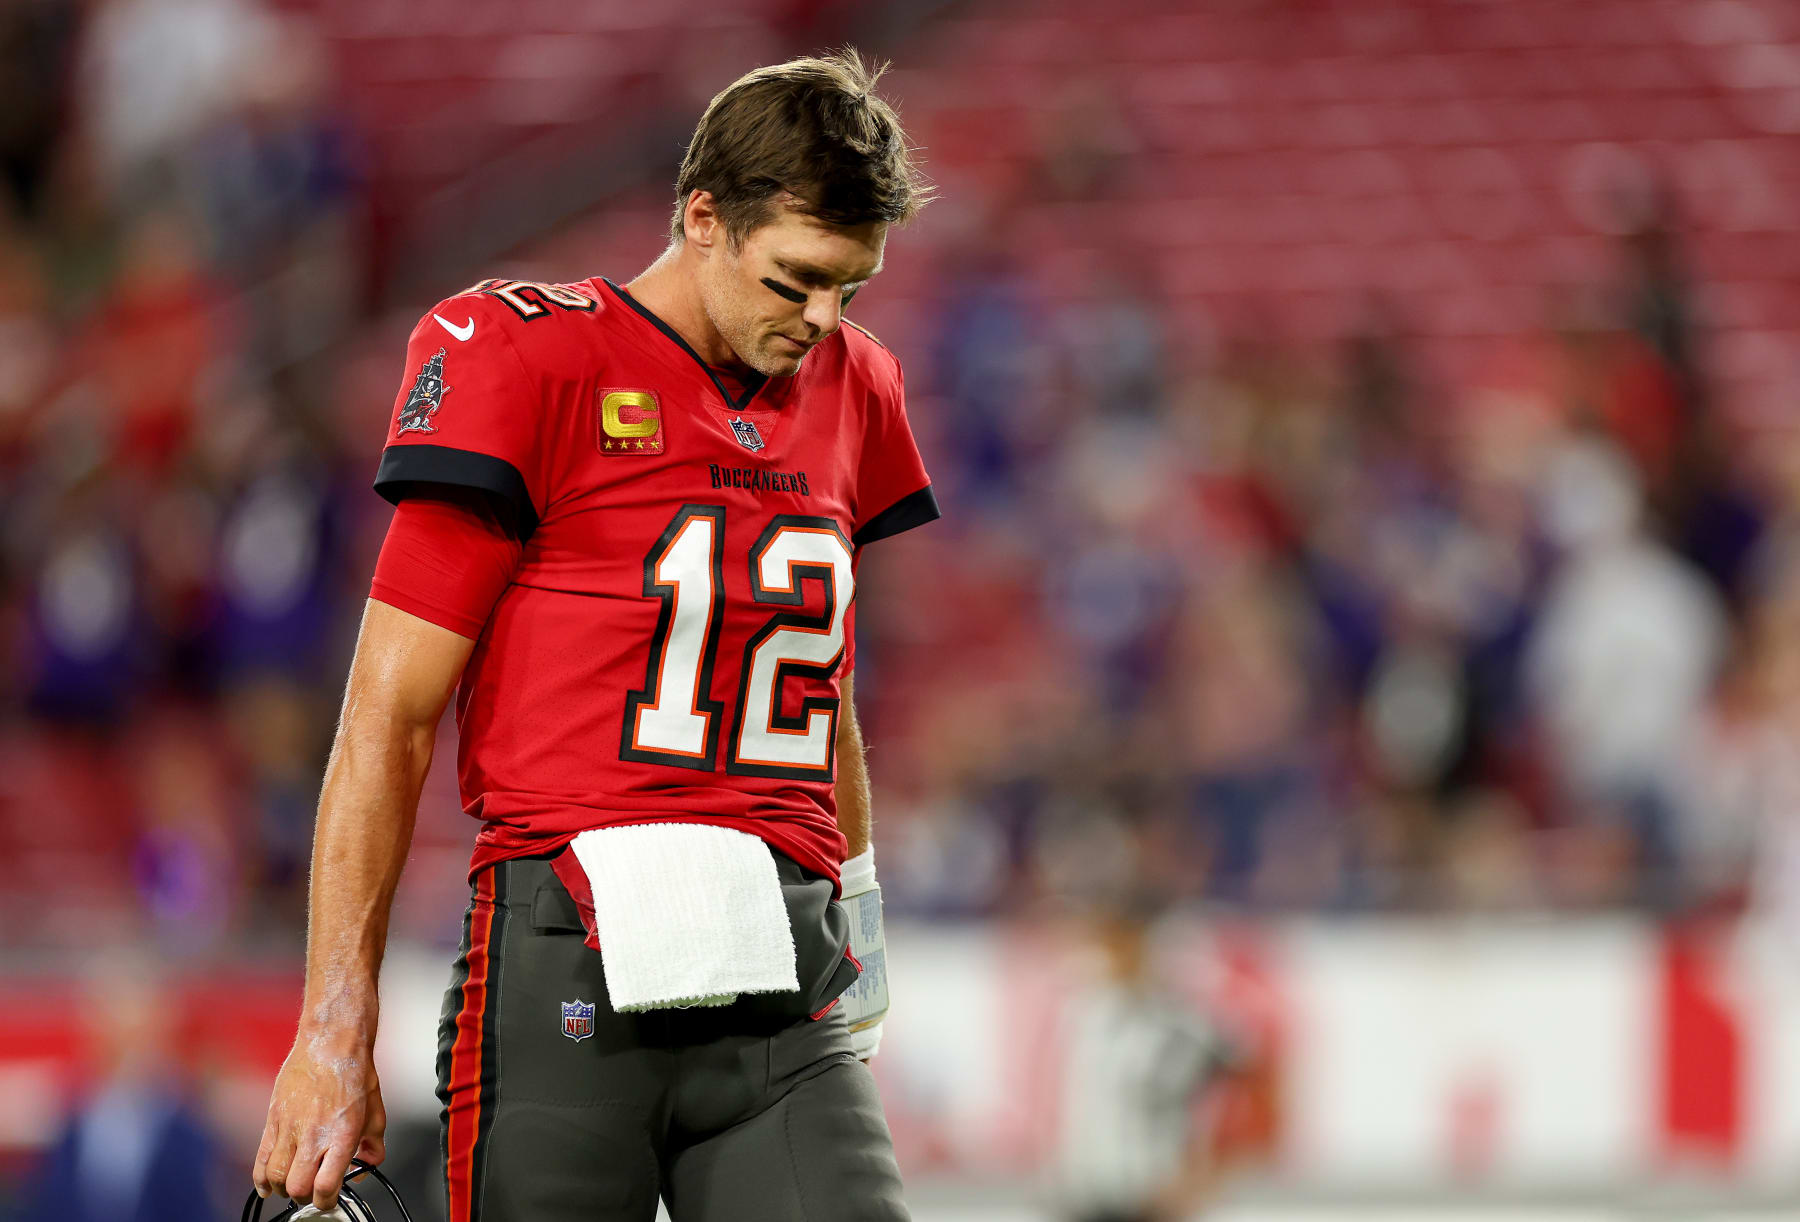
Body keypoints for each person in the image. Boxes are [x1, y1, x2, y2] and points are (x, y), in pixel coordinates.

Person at [251, 50, 936, 1222]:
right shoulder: (529, 355)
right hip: (571, 955)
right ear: (703, 217)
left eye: (850, 289)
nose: (823, 320)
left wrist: (860, 908)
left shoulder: (856, 384)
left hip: (782, 973)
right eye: (797, 281)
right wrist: (333, 1025)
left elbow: (821, 679)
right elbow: (389, 711)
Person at [1053, 902, 1242, 1222]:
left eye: (1127, 944)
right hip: (1089, 1194)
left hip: (1151, 1198)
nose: (1115, 957)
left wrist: (1207, 1171)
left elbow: (1246, 1089)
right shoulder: (1090, 1012)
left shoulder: (1182, 1025)